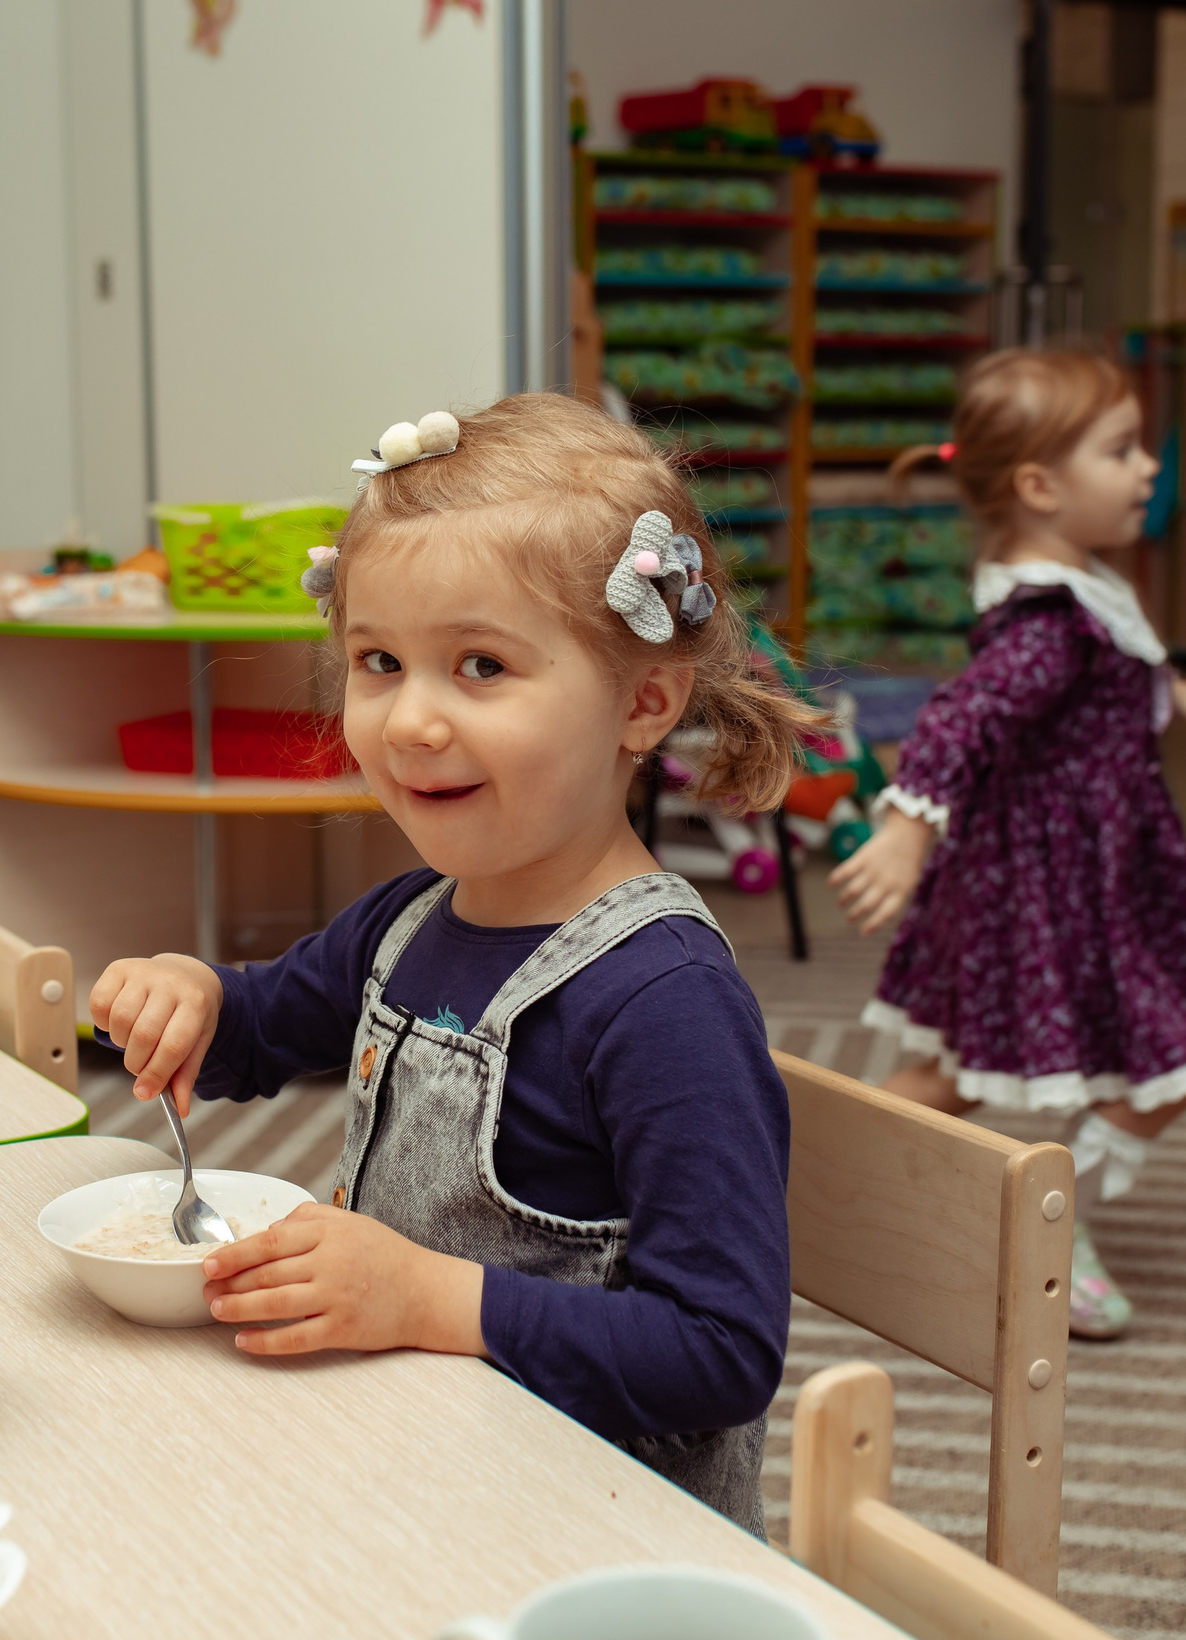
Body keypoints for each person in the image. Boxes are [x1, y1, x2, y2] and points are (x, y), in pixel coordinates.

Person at [91, 394, 808, 1532]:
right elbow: (260, 1025)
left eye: (479, 666)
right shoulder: (408, 923)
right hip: (415, 1470)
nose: (411, 719)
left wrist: (433, 1299)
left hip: (596, 1537)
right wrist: (188, 997)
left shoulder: (664, 1003)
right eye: (380, 660)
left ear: (645, 702)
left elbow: (718, 1351)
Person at [828, 345, 1186, 1339]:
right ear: (1039, 486)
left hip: (1068, 873)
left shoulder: (1076, 581)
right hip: (1055, 890)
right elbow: (960, 718)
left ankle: (831, 1180)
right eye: (1121, 449)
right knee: (1165, 1066)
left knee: (960, 1065)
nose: (1149, 467)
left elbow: (1108, 670)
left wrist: (1172, 692)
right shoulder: (1048, 623)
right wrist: (902, 827)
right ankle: (1055, 1231)